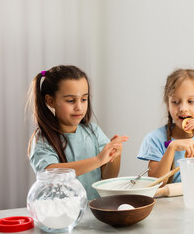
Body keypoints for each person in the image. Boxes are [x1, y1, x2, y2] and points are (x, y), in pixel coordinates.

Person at [27, 65, 129, 200]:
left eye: (84, 99)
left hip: (92, 211)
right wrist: (98, 160)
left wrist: (114, 156)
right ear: (50, 101)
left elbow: (108, 177)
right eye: (70, 101)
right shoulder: (42, 138)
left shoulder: (93, 132)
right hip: (60, 215)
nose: (79, 107)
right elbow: (51, 173)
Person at [137, 68, 194, 185]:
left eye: (191, 101)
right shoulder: (154, 139)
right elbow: (155, 183)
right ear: (167, 103)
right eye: (175, 102)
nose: (183, 108)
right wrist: (172, 148)